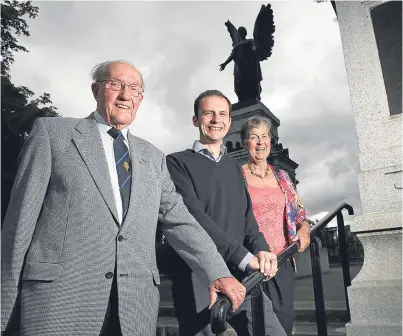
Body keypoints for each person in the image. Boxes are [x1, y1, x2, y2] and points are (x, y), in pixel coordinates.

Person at [1, 61, 247, 336]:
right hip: (61, 305)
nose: (125, 95)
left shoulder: (153, 157)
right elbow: (18, 227)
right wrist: (3, 312)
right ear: (96, 90)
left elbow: (180, 221)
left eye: (134, 89)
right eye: (115, 84)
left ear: (140, 99)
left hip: (134, 310)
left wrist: (218, 272)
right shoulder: (53, 134)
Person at [165, 89, 287, 336]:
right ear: (196, 119)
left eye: (222, 114)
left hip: (242, 275)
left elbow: (247, 217)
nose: (215, 120)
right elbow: (195, 219)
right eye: (208, 113)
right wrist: (242, 255)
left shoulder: (234, 166)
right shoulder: (176, 163)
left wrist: (262, 248)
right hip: (198, 276)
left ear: (230, 122)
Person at [240, 116, 312, 336]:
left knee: (283, 324)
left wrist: (304, 228)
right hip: (253, 263)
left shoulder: (281, 176)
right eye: (254, 137)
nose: (260, 142)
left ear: (270, 142)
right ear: (245, 143)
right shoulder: (236, 175)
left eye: (264, 137)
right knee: (257, 327)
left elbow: (300, 212)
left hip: (282, 261)